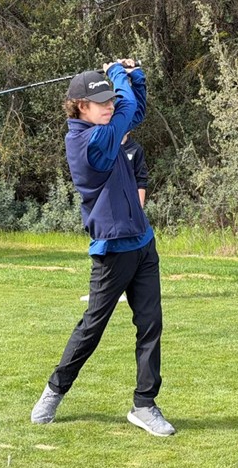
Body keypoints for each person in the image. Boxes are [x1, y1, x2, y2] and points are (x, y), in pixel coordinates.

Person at [31, 59, 175, 437]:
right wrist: (116, 72)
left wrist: (135, 75)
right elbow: (127, 110)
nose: (110, 106)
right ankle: (54, 390)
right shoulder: (88, 142)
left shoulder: (108, 128)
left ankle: (144, 404)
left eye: (111, 100)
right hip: (112, 250)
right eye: (102, 103)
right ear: (81, 106)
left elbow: (134, 109)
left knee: (151, 325)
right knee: (93, 327)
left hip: (143, 243)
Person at [122, 132, 148, 208]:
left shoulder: (136, 149)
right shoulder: (107, 149)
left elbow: (141, 180)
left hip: (130, 203)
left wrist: (140, 207)